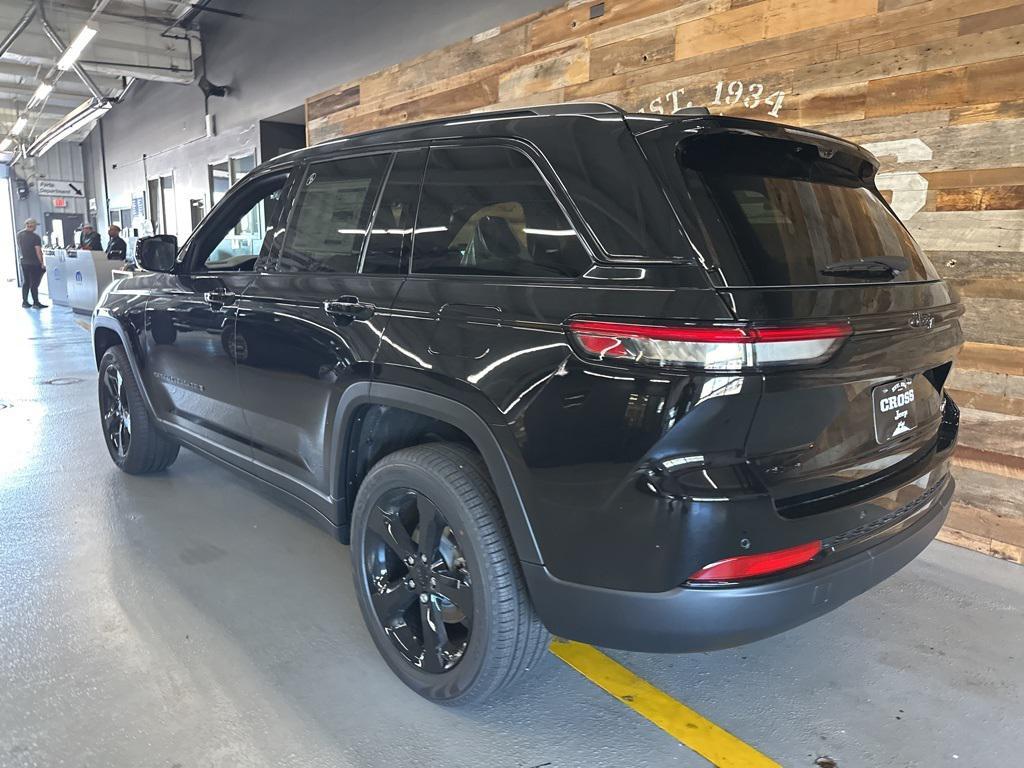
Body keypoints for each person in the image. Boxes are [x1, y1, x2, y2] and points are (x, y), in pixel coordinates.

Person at [17, 218, 47, 309]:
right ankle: (36, 303)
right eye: (35, 226)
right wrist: (42, 263)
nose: (35, 228)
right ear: (33, 226)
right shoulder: (35, 237)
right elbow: (38, 251)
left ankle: (25, 302)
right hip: (34, 263)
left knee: (26, 282)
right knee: (34, 283)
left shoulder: (19, 235)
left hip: (24, 262)